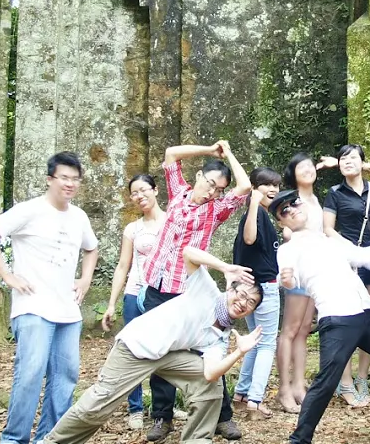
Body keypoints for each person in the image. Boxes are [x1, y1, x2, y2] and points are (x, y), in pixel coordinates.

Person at [36, 247, 264, 444]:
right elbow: (188, 253)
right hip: (135, 348)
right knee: (97, 406)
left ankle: (196, 439)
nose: (243, 303)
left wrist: (239, 351)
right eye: (241, 295)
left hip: (168, 355)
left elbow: (210, 372)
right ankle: (52, 441)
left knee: (209, 385)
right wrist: (224, 266)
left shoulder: (221, 335)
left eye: (250, 302)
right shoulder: (207, 290)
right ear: (231, 289)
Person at [272, 189, 370, 444]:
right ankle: (299, 439)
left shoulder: (330, 240)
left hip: (367, 312)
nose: (292, 209)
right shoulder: (288, 249)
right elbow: (290, 278)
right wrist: (287, 279)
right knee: (327, 381)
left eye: (294, 203)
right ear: (281, 221)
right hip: (337, 317)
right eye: (285, 211)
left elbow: (366, 258)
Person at [0, 152, 99, 444]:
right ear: (50, 179)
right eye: (64, 178)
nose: (70, 184)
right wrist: (7, 276)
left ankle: (51, 438)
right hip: (33, 308)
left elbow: (91, 248)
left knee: (65, 378)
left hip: (68, 312)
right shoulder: (29, 210)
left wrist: (85, 279)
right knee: (30, 374)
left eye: (75, 179)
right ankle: (13, 439)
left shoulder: (79, 216)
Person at [141, 140, 252, 442]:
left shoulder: (216, 209)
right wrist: (210, 150)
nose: (213, 192)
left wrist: (228, 153)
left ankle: (222, 416)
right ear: (200, 177)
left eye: (219, 189)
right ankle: (161, 417)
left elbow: (244, 185)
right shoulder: (178, 191)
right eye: (212, 184)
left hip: (188, 289)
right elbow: (171, 154)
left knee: (205, 349)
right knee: (157, 350)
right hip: (158, 284)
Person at [323, 143, 370, 406]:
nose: (347, 162)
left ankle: (363, 375)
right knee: (349, 318)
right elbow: (328, 228)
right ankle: (346, 380)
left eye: (352, 158)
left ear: (362, 162)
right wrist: (349, 251)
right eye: (342, 158)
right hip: (347, 261)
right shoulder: (335, 193)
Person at [99, 174, 166, 430]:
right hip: (134, 294)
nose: (140, 196)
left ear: (156, 190)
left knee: (166, 350)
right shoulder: (133, 229)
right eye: (135, 193)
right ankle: (136, 408)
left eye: (144, 190)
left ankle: (164, 408)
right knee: (132, 351)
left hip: (164, 294)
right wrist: (111, 303)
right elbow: (123, 266)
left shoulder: (172, 221)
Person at [275, 153, 328, 414]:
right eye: (301, 167)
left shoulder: (317, 199)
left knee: (305, 328)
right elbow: (287, 230)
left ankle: (299, 384)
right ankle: (283, 389)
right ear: (292, 173)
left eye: (310, 166)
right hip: (297, 268)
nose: (307, 170)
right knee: (290, 328)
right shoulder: (290, 200)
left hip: (315, 270)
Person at [232, 167, 284, 419]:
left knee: (254, 342)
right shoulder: (256, 215)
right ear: (254, 188)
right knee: (265, 345)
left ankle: (242, 394)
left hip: (252, 287)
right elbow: (250, 239)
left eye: (276, 185)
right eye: (266, 185)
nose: (273, 189)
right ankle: (255, 400)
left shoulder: (261, 214)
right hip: (263, 286)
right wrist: (253, 205)